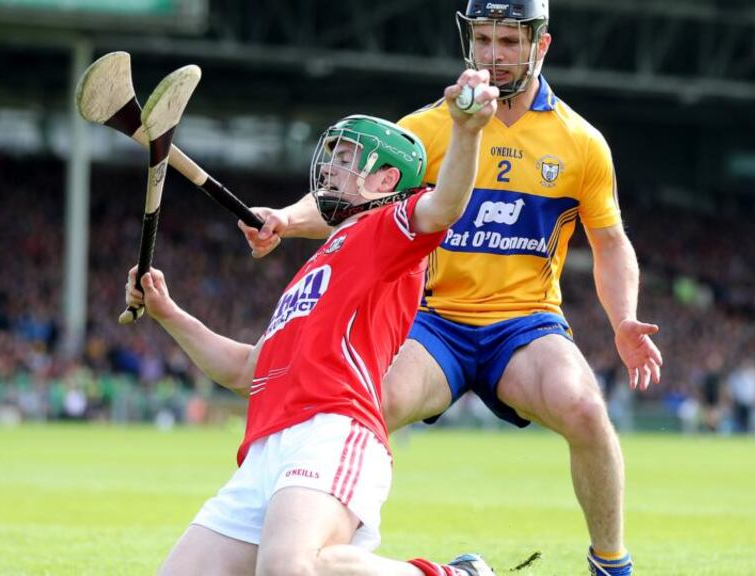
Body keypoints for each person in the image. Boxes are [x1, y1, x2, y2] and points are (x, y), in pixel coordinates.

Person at [238, 2, 662, 574]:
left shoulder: (581, 142)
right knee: (364, 405)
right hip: (433, 323)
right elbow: (350, 196)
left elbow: (609, 243)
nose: (494, 55)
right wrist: (286, 220)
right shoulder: (426, 129)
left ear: (541, 46)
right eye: (484, 39)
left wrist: (623, 319)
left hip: (525, 324)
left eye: (509, 42)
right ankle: (312, 553)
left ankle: (611, 564)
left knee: (585, 408)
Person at [128, 70, 500, 576]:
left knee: (290, 566)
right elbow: (245, 370)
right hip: (264, 447)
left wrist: (467, 130)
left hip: (332, 428)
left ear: (387, 181)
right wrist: (167, 312)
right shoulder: (317, 265)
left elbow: (446, 204)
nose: (330, 168)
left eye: (347, 159)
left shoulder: (389, 231)